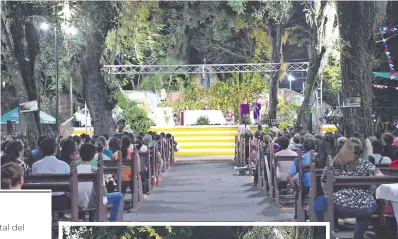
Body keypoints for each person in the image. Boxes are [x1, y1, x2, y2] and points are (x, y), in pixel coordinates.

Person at [314, 138, 383, 239]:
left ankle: (324, 233)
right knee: (366, 209)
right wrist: (369, 185)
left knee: (318, 203)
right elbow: (380, 177)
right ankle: (358, 235)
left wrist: (329, 193)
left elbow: (324, 181)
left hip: (339, 203)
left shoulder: (334, 164)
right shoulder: (365, 163)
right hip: (365, 205)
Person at [78, 143, 122, 222]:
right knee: (118, 195)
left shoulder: (74, 169)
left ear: (80, 155)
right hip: (95, 202)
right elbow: (104, 192)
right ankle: (112, 221)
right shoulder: (96, 170)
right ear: (93, 156)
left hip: (77, 203)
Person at [32, 138, 71, 211]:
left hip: (42, 201)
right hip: (61, 202)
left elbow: (35, 183)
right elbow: (69, 185)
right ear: (55, 150)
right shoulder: (64, 165)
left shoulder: (35, 165)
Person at [287, 138, 315, 220]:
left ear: (304, 148)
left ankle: (297, 214)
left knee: (299, 193)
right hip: (318, 186)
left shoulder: (300, 159)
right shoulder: (320, 158)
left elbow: (289, 176)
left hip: (305, 186)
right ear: (315, 147)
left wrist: (295, 187)